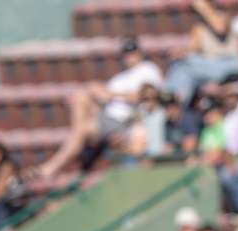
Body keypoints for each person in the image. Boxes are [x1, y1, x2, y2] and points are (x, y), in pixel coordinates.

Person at [35, 38, 164, 178]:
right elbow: (104, 99)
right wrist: (96, 93)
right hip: (106, 116)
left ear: (139, 53)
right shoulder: (119, 78)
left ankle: (59, 161)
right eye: (127, 54)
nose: (130, 57)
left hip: (123, 121)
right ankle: (77, 141)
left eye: (133, 53)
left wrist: (111, 94)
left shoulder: (148, 70)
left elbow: (147, 95)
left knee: (82, 123)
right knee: (81, 96)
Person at [164, 0, 238, 109]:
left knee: (183, 67)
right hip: (208, 67)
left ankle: (172, 103)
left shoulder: (222, 16)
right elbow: (192, 50)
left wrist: (200, 4)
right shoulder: (199, 27)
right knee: (180, 66)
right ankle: (174, 102)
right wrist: (180, 52)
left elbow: (220, 28)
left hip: (229, 63)